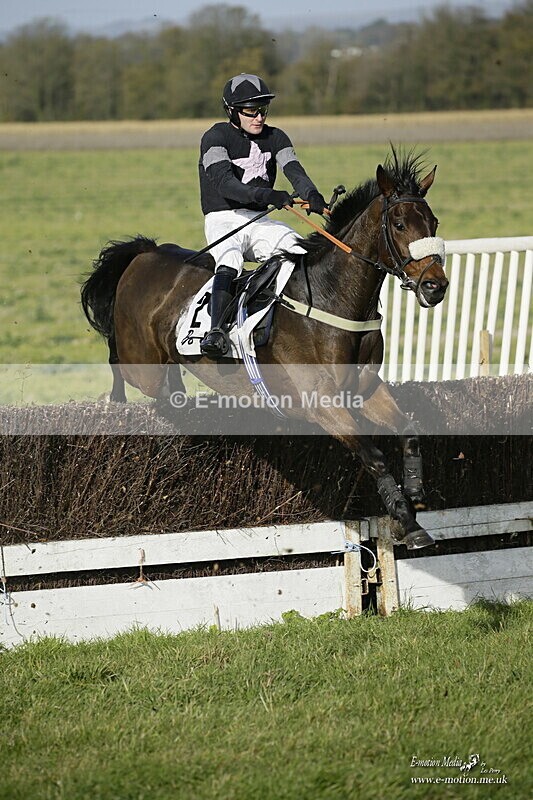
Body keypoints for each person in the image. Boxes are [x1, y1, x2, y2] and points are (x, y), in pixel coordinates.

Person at [198, 72, 326, 358]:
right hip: (223, 218)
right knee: (230, 260)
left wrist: (311, 193)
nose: (259, 117)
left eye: (263, 110)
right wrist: (267, 195)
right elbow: (225, 184)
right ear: (232, 111)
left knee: (298, 250)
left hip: (259, 221)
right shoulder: (214, 138)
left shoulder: (276, 136)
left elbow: (294, 170)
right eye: (251, 111)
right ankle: (216, 332)